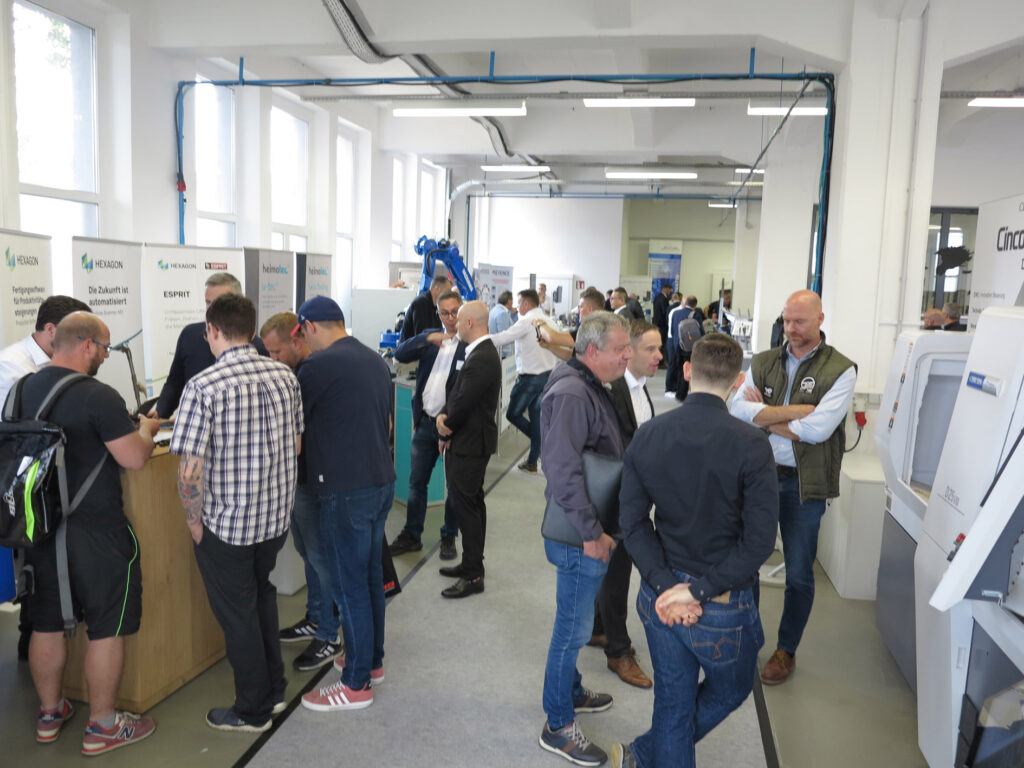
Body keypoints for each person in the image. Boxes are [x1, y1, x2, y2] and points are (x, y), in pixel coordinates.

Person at [611, 333, 779, 768]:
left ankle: (648, 752)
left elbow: (632, 523)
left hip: (659, 595)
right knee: (731, 689)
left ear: (687, 371)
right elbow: (758, 542)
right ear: (739, 381)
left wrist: (670, 586)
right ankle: (647, 752)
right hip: (722, 602)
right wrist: (697, 592)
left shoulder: (649, 435)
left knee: (673, 702)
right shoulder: (752, 443)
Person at [20, 312, 159, 754]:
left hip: (37, 530)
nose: (104, 356)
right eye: (104, 348)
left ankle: (49, 713)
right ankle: (102, 725)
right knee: (105, 626)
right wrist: (148, 430)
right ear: (85, 345)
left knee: (46, 622)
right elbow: (134, 459)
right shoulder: (98, 396)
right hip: (96, 532)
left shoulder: (19, 391)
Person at [171, 294, 303, 732]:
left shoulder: (204, 386)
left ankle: (252, 710)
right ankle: (276, 689)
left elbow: (189, 469)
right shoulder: (285, 375)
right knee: (261, 597)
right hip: (273, 521)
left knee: (238, 616)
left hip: (226, 526)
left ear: (212, 330)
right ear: (250, 329)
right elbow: (297, 445)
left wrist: (194, 523)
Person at [730, 289, 856, 686]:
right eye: (786, 320)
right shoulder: (765, 361)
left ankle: (786, 650)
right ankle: (749, 640)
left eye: (799, 321)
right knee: (748, 564)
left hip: (804, 486)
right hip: (758, 479)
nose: (791, 329)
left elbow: (817, 431)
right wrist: (792, 416)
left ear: (821, 319)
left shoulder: (841, 369)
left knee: (799, 574)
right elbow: (736, 409)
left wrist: (764, 417)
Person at [537, 311, 632, 767]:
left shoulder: (588, 381)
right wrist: (592, 533)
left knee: (573, 626)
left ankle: (570, 690)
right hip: (581, 536)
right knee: (570, 631)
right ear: (592, 352)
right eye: (621, 349)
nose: (628, 356)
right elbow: (561, 469)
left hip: (589, 529)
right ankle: (557, 725)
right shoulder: (575, 391)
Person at [294, 296, 395, 713]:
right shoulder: (373, 358)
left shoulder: (317, 367)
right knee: (369, 577)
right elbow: (386, 423)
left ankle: (354, 684)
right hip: (379, 482)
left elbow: (294, 426)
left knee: (348, 583)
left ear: (309, 327)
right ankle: (370, 663)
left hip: (344, 488)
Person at [0, 294, 90, 660]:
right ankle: (32, 636)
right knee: (33, 559)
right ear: (52, 329)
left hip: (54, 479)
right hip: (21, 483)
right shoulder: (12, 366)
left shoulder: (58, 362)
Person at [260, 312, 342, 672]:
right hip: (300, 479)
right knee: (309, 552)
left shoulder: (313, 373)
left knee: (321, 557)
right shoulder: (295, 374)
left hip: (318, 479)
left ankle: (329, 634)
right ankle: (316, 617)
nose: (272, 360)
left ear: (297, 340)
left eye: (276, 352)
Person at [590, 319, 659, 690]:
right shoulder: (611, 391)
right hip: (613, 498)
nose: (659, 356)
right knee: (616, 575)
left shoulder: (641, 389)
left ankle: (600, 628)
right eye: (651, 349)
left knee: (614, 571)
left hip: (632, 495)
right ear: (629, 351)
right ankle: (618, 651)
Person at [389, 290, 465, 561]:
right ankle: (412, 535)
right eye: (444, 312)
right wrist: (426, 337)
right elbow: (400, 352)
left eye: (455, 311)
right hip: (425, 423)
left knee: (454, 487)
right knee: (416, 483)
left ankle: (448, 537)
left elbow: (467, 391)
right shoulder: (432, 337)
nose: (450, 318)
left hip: (453, 428)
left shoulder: (470, 343)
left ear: (463, 310)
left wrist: (451, 422)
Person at [436, 301, 502, 598]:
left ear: (471, 323)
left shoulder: (483, 357)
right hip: (468, 440)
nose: (455, 324)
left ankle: (474, 574)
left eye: (459, 320)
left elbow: (463, 402)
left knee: (468, 509)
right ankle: (470, 563)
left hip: (471, 443)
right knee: (471, 506)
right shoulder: (478, 353)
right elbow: (459, 393)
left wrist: (443, 423)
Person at [152, 272, 268, 418]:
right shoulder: (189, 335)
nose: (211, 309)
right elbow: (174, 382)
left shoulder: (255, 346)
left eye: (219, 302)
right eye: (208, 302)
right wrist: (159, 414)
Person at [489, 289, 559, 474]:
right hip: (547, 376)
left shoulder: (526, 321)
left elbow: (503, 337)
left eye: (519, 302)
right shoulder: (549, 320)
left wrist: (477, 340)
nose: (516, 306)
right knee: (535, 417)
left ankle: (542, 444)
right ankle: (532, 462)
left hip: (530, 379)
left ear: (527, 304)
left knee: (513, 414)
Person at [540, 287, 605, 362]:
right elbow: (574, 357)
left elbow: (552, 338)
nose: (578, 311)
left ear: (590, 309)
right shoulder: (599, 324)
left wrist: (540, 323)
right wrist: (549, 346)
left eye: (580, 307)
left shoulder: (592, 328)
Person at [399, 274, 452, 342]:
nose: (448, 295)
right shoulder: (421, 304)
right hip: (410, 351)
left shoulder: (435, 306)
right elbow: (422, 336)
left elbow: (438, 332)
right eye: (447, 291)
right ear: (437, 289)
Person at [673, 296, 706, 404]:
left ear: (685, 302)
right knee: (688, 369)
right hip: (690, 347)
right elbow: (700, 332)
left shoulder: (676, 313)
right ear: (695, 305)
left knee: (679, 369)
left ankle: (678, 393)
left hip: (678, 345)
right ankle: (683, 394)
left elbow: (673, 329)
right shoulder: (696, 315)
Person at [488, 290, 516, 357]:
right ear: (509, 301)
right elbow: (504, 337)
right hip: (501, 355)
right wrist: (509, 357)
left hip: (494, 351)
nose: (512, 303)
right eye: (512, 300)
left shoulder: (494, 310)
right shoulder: (502, 313)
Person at [651, 282, 673, 358]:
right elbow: (664, 311)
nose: (670, 292)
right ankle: (660, 360)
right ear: (665, 289)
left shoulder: (657, 297)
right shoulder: (664, 299)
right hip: (662, 324)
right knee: (661, 342)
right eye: (669, 290)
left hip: (656, 323)